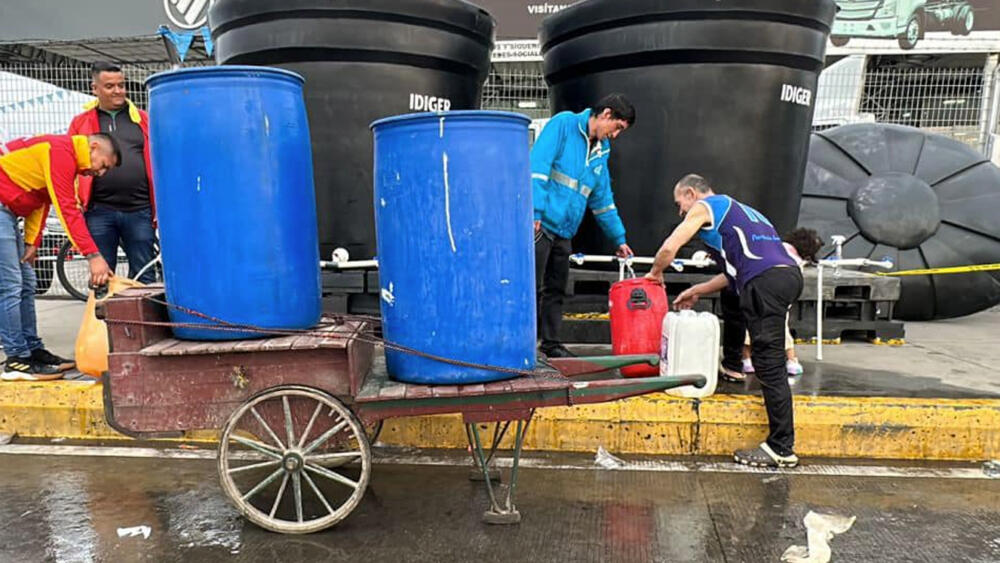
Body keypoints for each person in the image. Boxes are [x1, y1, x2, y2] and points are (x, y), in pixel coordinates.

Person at [645, 174, 804, 468]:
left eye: (680, 204)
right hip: (786, 276)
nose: (681, 212)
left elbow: (671, 245)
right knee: (755, 335)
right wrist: (696, 290)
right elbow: (733, 275)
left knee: (769, 363)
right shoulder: (744, 215)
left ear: (691, 194)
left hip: (766, 282)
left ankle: (782, 447)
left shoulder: (708, 206)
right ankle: (732, 366)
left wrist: (655, 273)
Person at [0, 133, 118, 380]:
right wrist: (92, 255)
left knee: (27, 283)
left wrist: (32, 241)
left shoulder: (67, 161)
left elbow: (41, 198)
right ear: (93, 147)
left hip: (9, 213)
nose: (102, 173)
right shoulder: (60, 151)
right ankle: (16, 358)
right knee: (10, 285)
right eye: (103, 164)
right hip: (3, 209)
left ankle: (33, 349)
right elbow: (66, 209)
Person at [531, 93, 635, 358]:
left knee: (556, 289)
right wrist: (533, 211)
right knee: (530, 286)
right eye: (618, 127)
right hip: (540, 225)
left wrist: (619, 238)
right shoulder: (564, 125)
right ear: (606, 114)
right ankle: (521, 344)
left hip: (565, 230)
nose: (616, 135)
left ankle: (551, 344)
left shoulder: (602, 151)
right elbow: (537, 167)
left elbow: (603, 200)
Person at [68, 62, 157, 283]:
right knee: (101, 276)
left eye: (121, 85)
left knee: (143, 274)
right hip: (98, 210)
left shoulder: (143, 120)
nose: (117, 91)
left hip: (140, 210)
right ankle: (100, 319)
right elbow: (70, 163)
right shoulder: (81, 123)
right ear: (94, 88)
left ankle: (141, 318)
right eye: (109, 86)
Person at [741, 228, 824, 377]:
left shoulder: (775, 247)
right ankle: (791, 361)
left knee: (749, 324)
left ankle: (746, 359)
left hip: (757, 286)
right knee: (780, 327)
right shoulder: (797, 262)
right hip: (780, 295)